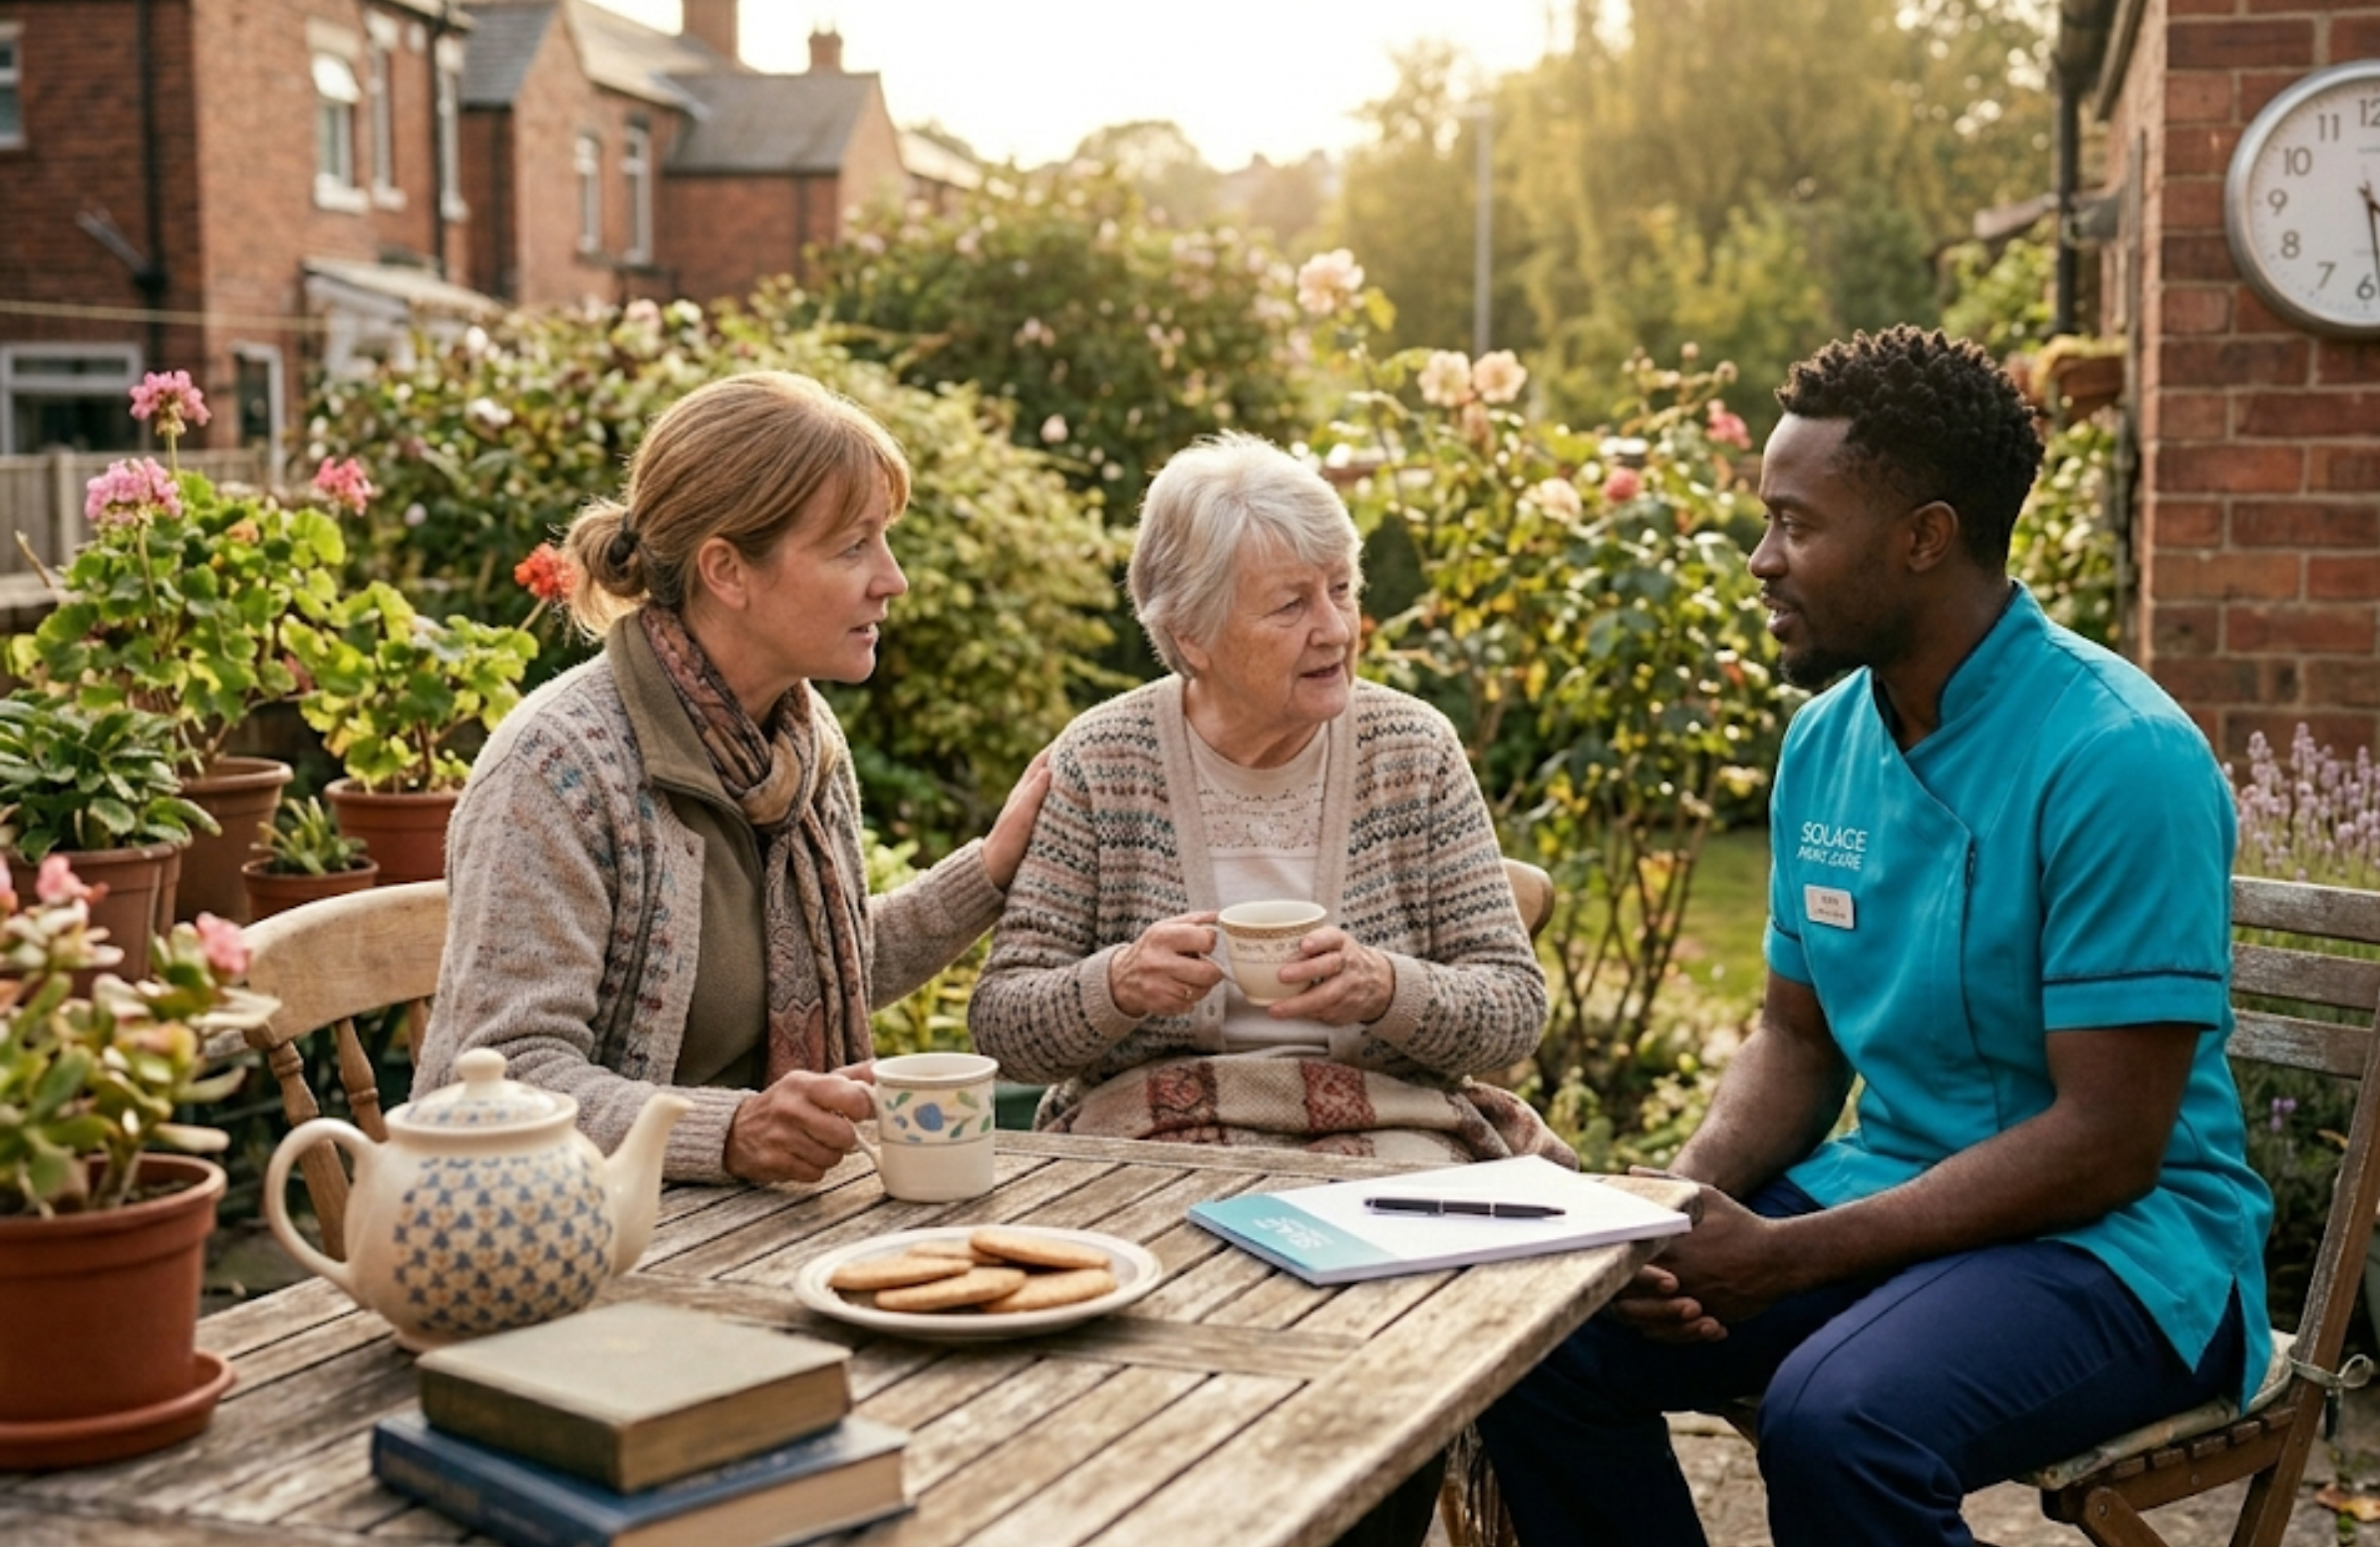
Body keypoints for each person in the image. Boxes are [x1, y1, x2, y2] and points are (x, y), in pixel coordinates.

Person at [1477, 326, 2273, 1546]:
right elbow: (1796, 1042)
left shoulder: (2121, 757)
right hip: (1895, 1193)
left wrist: (1790, 1256)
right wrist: (1670, 1213)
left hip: (2130, 1252)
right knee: (1537, 1345)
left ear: (1923, 538)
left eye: (1798, 525)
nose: (1761, 561)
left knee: (1840, 1417)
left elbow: (2107, 1146)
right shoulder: (1827, 743)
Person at [415, 370, 1049, 1186]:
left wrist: (989, 870)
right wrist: (730, 1132)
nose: (892, 578)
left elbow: (834, 958)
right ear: (728, 570)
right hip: (574, 1232)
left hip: (758, 1218)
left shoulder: (797, 739)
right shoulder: (558, 770)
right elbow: (504, 1075)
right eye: (853, 546)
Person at [969, 431, 1568, 1166]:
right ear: (1192, 637)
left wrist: (1384, 987)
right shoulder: (1104, 760)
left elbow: (1513, 1008)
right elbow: (1001, 1022)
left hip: (1390, 1129)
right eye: (1291, 604)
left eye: (1341, 589)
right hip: (1154, 1135)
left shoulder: (1415, 751)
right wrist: (1117, 984)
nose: (1336, 629)